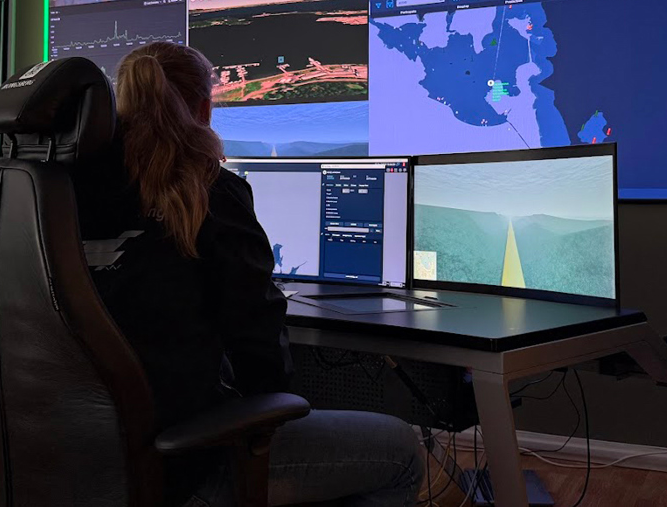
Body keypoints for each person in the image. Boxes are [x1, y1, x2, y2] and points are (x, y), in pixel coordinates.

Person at [91, 42, 423, 507]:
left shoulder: (59, 197)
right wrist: (269, 409)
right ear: (205, 110)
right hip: (186, 464)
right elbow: (257, 343)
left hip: (85, 460)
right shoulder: (211, 194)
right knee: (403, 452)